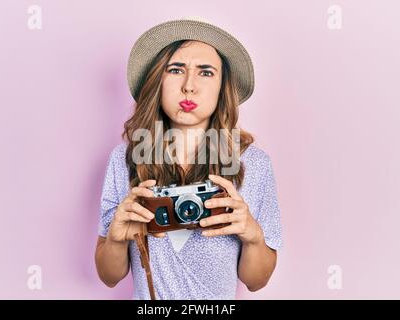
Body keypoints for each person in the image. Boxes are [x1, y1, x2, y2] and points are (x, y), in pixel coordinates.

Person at [95, 17, 282, 300]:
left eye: (206, 72)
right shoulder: (125, 158)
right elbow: (109, 277)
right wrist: (116, 238)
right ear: (158, 79)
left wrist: (253, 235)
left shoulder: (253, 163)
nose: (189, 86)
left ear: (223, 87)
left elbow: (255, 282)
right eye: (176, 70)